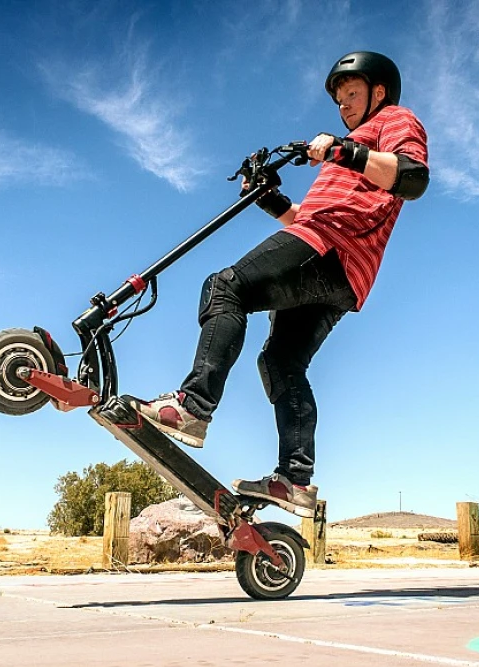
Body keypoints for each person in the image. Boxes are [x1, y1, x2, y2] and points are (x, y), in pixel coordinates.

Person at [132, 51, 429, 516]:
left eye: (352, 93)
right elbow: (307, 218)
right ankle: (294, 480)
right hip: (339, 269)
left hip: (331, 248)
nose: (344, 105)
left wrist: (344, 151)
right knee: (281, 362)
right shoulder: (349, 153)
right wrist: (271, 200)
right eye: (339, 99)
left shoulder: (394, 120)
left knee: (226, 287)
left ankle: (193, 406)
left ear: (379, 92)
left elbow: (412, 177)